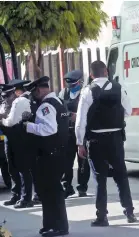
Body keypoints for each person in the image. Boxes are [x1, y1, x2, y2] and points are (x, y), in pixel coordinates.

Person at [75, 60, 137, 227]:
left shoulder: (87, 91)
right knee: (121, 176)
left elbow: (80, 120)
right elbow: (129, 111)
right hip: (116, 138)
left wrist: (80, 143)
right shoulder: (118, 88)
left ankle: (102, 216)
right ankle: (129, 211)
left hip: (96, 140)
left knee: (100, 179)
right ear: (107, 71)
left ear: (92, 74)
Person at [23, 76, 69, 237]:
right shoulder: (58, 101)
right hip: (58, 152)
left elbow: (49, 129)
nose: (33, 96)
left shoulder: (46, 106)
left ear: (39, 90)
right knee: (47, 191)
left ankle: (60, 227)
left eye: (34, 92)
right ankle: (49, 224)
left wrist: (28, 126)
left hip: (51, 155)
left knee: (53, 191)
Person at [0, 80, 40, 208]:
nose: (6, 99)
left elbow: (10, 121)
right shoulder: (7, 103)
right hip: (9, 138)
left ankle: (26, 197)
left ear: (15, 92)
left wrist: (2, 119)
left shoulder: (21, 101)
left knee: (24, 168)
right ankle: (16, 194)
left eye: (8, 95)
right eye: (4, 97)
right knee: (12, 167)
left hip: (20, 137)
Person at [59, 70, 90, 198]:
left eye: (73, 84)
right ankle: (67, 186)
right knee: (66, 161)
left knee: (83, 160)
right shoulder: (63, 93)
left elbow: (90, 112)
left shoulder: (85, 92)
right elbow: (59, 108)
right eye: (69, 85)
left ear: (80, 82)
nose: (71, 87)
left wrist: (77, 116)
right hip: (67, 132)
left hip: (82, 131)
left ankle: (82, 187)